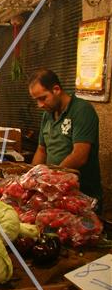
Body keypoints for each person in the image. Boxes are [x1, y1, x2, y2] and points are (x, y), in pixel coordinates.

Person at [28, 68, 102, 204]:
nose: (39, 105)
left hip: (81, 196)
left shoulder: (81, 111)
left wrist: (51, 180)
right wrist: (31, 178)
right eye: (36, 100)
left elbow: (79, 156)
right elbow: (41, 150)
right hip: (54, 194)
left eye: (43, 98)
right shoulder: (47, 114)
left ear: (56, 89)